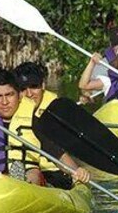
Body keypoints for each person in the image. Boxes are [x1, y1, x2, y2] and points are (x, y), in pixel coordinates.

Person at [8, 61, 91, 189]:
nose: (29, 94)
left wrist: (77, 171)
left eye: (34, 86)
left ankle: (28, 184)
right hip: (25, 168)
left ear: (43, 85)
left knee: (40, 177)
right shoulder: (11, 112)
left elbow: (59, 151)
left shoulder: (56, 111)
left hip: (56, 172)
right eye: (23, 89)